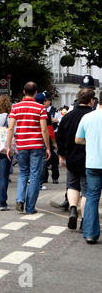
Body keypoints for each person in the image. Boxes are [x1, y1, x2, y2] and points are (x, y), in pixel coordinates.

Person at [6, 81, 51, 214]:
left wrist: (9, 147)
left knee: (23, 173)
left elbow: (10, 128)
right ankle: (30, 207)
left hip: (22, 145)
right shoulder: (40, 108)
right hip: (36, 145)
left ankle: (20, 199)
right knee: (35, 175)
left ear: (24, 92)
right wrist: (48, 147)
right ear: (36, 93)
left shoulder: (16, 107)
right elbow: (44, 129)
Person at [57, 88, 94, 230]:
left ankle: (73, 209)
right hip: (89, 158)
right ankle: (84, 220)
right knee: (86, 190)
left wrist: (62, 154)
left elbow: (60, 138)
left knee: (72, 185)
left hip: (71, 157)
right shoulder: (93, 115)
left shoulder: (68, 116)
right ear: (91, 100)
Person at [75, 90, 102, 244]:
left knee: (92, 197)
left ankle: (90, 234)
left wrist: (90, 142)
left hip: (92, 162)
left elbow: (78, 139)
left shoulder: (87, 117)